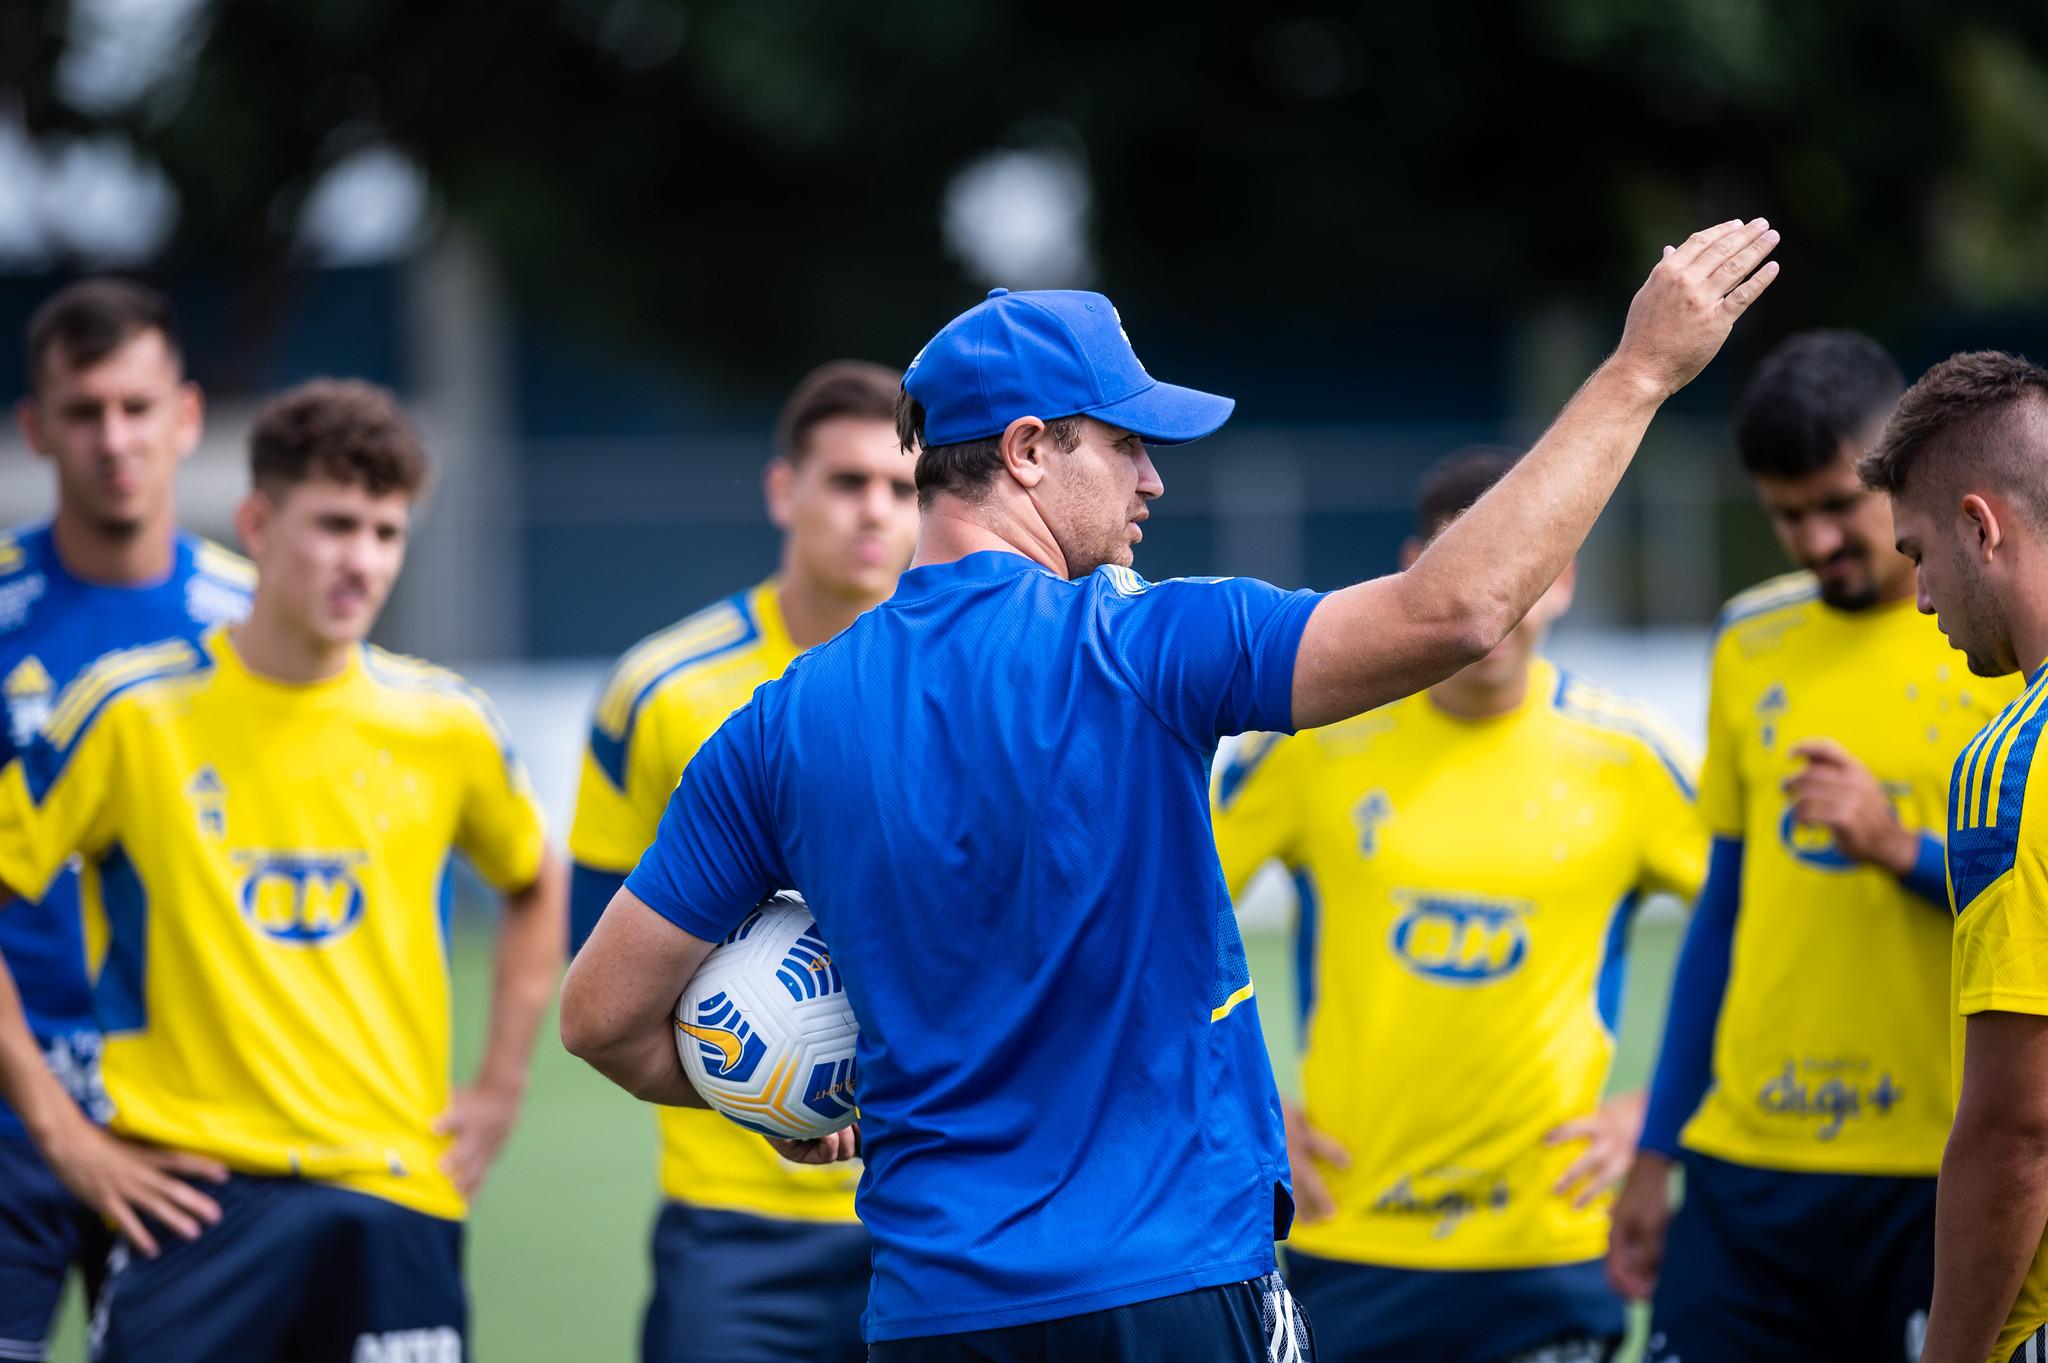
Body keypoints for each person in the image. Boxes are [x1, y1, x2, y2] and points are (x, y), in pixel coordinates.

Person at [561, 219, 1780, 1361]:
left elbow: (603, 1018)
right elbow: (1453, 608)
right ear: (1031, 450)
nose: (1152, 482)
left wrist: (786, 1104)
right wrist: (1635, 374)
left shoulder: (774, 722)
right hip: (1174, 1287)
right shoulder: (1142, 648)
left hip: (934, 1309)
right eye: (1128, 442)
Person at [0, 378, 566, 1363]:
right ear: (258, 523)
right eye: (335, 525)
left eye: (386, 533)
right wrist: (64, 1135)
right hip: (191, 1203)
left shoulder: (445, 723)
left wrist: (500, 1085)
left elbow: (532, 875)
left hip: (392, 1195)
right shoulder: (129, 714)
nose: (362, 561)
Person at [1212, 447, 1705, 1363]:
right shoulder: (1310, 746)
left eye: (1524, 563)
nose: (1500, 595)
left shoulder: (1633, 760)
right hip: (1348, 1235)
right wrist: (1247, 1105)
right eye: (1467, 556)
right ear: (1415, 571)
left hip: (1552, 1246)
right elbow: (1154, 919)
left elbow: (1771, 931)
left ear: (1564, 575)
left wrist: (1654, 1114)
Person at [1606, 331, 2014, 1363]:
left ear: (1896, 476)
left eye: (1839, 504)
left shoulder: (1993, 647)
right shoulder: (1748, 641)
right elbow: (1722, 912)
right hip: (1749, 1163)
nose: (1816, 539)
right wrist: (1657, 1147)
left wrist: (1898, 847)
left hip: (1925, 1164)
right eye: (1786, 514)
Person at [569, 359, 916, 1363]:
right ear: (783, 490)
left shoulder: (967, 685)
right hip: (731, 1221)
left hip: (932, 1208)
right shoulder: (663, 690)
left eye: (900, 486)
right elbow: (593, 950)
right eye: (846, 480)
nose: (874, 511)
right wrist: (750, 1086)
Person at [0, 278, 254, 1360]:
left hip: (184, 1121)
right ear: (37, 428)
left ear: (186, 417)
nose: (115, 438)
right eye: (85, 409)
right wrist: (59, 1129)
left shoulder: (253, 626)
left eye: (138, 407)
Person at [1857, 351, 2048, 1363]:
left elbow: (2016, 1134)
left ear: (1980, 526)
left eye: (1919, 552)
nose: (1920, 597)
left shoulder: (2012, 763)